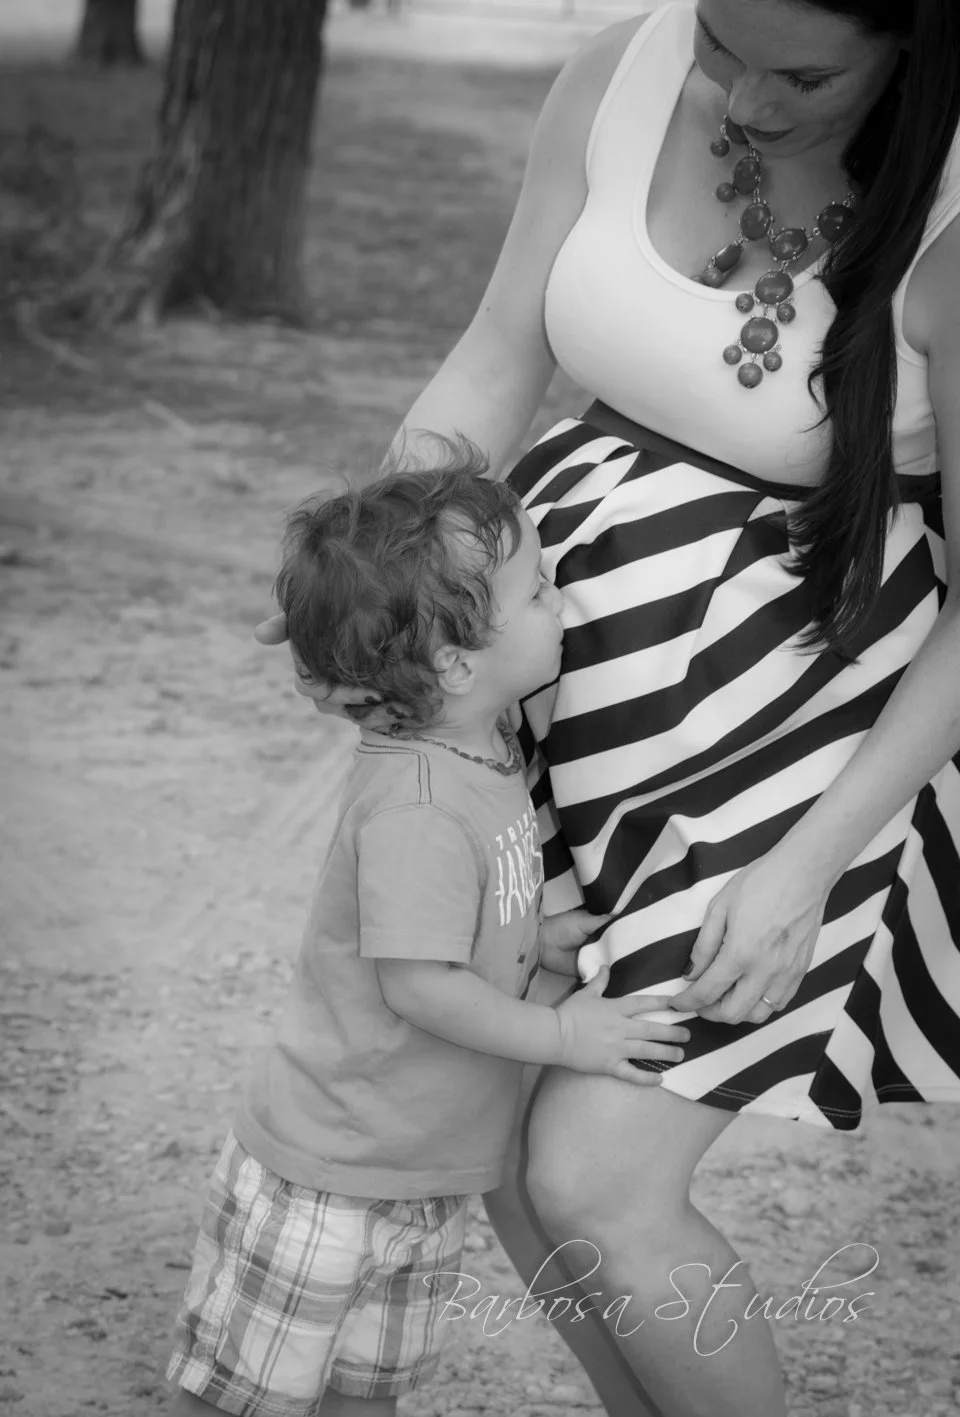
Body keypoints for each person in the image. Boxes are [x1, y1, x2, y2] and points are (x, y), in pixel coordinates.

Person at [259, 1, 960, 1413]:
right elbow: (498, 356)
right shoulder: (616, 76)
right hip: (543, 673)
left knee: (597, 1175)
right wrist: (400, 605)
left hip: (801, 737)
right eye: (721, 42)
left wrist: (807, 863)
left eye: (804, 72)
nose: (746, 101)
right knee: (512, 1158)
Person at [167, 461, 690, 1417]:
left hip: (419, 1171)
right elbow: (422, 985)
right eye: (536, 589)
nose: (560, 598)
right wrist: (569, 1038)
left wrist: (542, 933)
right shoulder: (417, 801)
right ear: (454, 662)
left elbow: (471, 914)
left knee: (369, 1390)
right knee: (251, 1398)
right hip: (334, 1172)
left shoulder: (480, 749)